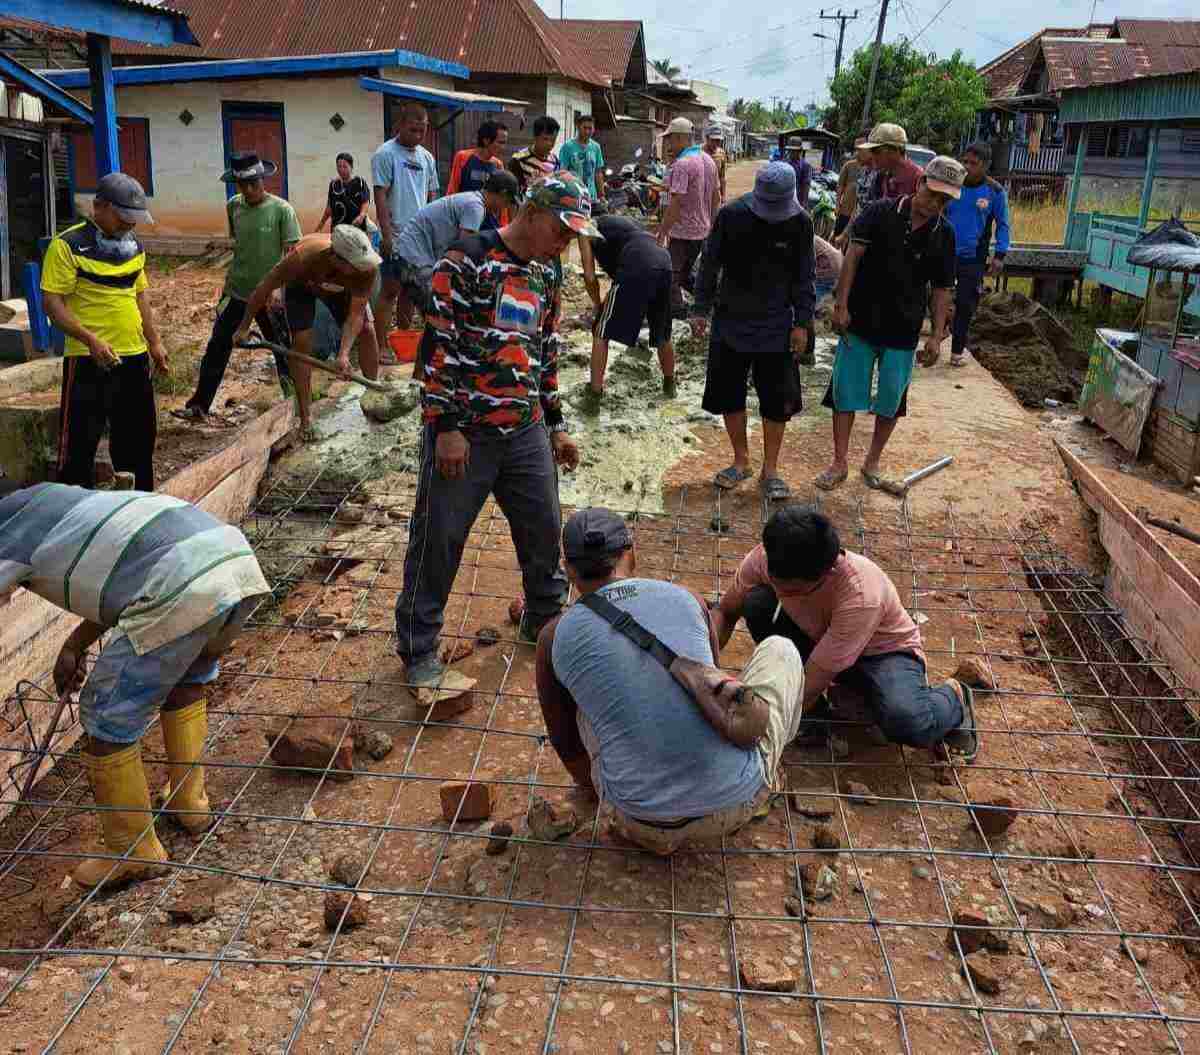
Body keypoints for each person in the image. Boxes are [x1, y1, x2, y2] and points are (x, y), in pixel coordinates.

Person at [0, 480, 271, 888]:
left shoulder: (9, 530)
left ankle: (132, 851)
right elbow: (127, 574)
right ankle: (189, 803)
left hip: (180, 581)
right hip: (231, 561)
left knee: (105, 712)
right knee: (185, 681)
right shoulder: (53, 499)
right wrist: (76, 644)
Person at [394, 174, 593, 686]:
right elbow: (437, 350)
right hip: (466, 432)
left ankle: (544, 619)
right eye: (560, 229)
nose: (565, 242)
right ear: (530, 211)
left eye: (573, 235)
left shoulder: (547, 275)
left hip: (524, 430)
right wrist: (445, 427)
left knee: (544, 527)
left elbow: (543, 354)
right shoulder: (465, 261)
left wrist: (556, 423)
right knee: (439, 537)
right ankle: (418, 649)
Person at [534, 507, 805, 855]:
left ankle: (635, 805)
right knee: (781, 649)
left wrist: (610, 793)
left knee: (587, 692)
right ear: (631, 552)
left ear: (568, 569)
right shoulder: (685, 597)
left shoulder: (553, 636)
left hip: (638, 821)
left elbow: (565, 742)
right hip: (734, 804)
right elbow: (711, 692)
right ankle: (767, 775)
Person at [713, 506, 977, 762]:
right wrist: (705, 673)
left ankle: (954, 698)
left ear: (826, 574)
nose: (782, 592)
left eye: (793, 591)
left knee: (906, 721)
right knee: (758, 603)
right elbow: (724, 612)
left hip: (882, 654)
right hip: (823, 640)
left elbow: (811, 684)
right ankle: (818, 717)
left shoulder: (860, 596)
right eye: (776, 581)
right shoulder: (768, 557)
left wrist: (758, 735)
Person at [815, 156, 964, 491]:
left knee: (892, 398)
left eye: (944, 201)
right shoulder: (880, 212)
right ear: (920, 182)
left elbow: (942, 289)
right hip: (861, 320)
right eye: (932, 194)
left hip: (904, 328)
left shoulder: (944, 234)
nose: (934, 205)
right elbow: (852, 258)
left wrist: (937, 337)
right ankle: (839, 462)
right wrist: (841, 304)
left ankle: (872, 462)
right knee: (845, 394)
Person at [691, 163, 815, 502]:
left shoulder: (800, 223)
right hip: (731, 319)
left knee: (777, 399)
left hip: (777, 323)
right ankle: (741, 460)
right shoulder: (730, 216)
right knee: (729, 393)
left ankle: (770, 469)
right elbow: (709, 264)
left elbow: (805, 276)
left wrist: (803, 323)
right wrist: (700, 309)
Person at [42, 172, 165, 492]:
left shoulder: (134, 246)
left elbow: (140, 296)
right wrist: (90, 340)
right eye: (124, 217)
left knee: (137, 443)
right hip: (88, 359)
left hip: (134, 356)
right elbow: (53, 306)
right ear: (101, 207)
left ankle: (138, 506)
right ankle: (69, 512)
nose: (130, 224)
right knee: (79, 446)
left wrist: (154, 342)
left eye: (134, 218)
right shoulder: (68, 246)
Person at [174, 153, 301, 424]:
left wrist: (279, 289)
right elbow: (239, 243)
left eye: (254, 183)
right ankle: (199, 405)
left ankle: (297, 404)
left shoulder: (282, 210)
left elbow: (292, 254)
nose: (250, 189)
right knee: (218, 346)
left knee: (282, 349)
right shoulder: (234, 207)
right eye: (243, 185)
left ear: (262, 180)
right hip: (237, 291)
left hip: (269, 295)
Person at [233, 225, 382, 442]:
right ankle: (306, 417)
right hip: (302, 285)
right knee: (301, 342)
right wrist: (244, 327)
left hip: (340, 291)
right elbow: (263, 289)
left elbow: (356, 315)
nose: (363, 268)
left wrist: (343, 355)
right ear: (336, 259)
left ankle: (375, 394)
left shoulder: (367, 268)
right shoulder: (301, 259)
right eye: (356, 265)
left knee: (368, 330)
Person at [395, 170, 520, 374]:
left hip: (411, 253)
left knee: (434, 315)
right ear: (502, 194)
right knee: (437, 317)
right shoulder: (475, 207)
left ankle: (421, 374)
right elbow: (465, 252)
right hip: (415, 257)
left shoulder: (472, 201)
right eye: (507, 202)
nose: (505, 208)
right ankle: (421, 377)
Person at [578, 213, 676, 406]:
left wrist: (598, 307)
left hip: (636, 262)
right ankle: (670, 386)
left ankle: (593, 397)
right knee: (663, 331)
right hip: (664, 260)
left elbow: (589, 277)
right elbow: (620, 279)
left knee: (600, 331)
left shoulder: (585, 229)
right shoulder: (621, 223)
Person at [372, 102, 440, 354]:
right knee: (390, 290)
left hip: (420, 237)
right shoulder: (385, 154)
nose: (418, 135)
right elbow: (380, 197)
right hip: (396, 234)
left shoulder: (427, 157)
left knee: (411, 293)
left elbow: (432, 197)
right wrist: (387, 236)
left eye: (422, 131)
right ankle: (379, 347)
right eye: (413, 129)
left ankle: (403, 340)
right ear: (400, 125)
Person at [946, 141, 1010, 367]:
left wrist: (1000, 255)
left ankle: (956, 351)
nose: (967, 167)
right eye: (965, 162)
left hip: (973, 256)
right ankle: (935, 336)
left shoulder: (995, 192)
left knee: (965, 303)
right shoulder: (951, 185)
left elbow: (1003, 225)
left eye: (974, 163)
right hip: (944, 252)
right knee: (935, 297)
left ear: (986, 165)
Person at [658, 117, 720, 315]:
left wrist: (662, 233)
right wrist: (712, 225)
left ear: (678, 138)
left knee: (670, 277)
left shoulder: (682, 164)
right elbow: (716, 197)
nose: (668, 144)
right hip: (702, 231)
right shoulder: (709, 161)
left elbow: (674, 205)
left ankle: (678, 313)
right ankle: (711, 303)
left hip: (683, 233)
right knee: (685, 275)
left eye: (670, 139)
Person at [446, 120, 508, 194]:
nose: (503, 147)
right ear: (486, 141)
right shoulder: (463, 157)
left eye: (504, 143)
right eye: (500, 142)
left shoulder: (498, 165)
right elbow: (452, 189)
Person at [864, 123, 922, 200]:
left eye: (875, 151)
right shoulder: (883, 176)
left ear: (895, 150)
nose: (871, 156)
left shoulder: (918, 179)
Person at [316, 152, 371, 233]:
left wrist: (361, 216)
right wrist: (320, 225)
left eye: (345, 166)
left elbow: (365, 201)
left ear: (351, 167)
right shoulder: (334, 185)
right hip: (338, 229)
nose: (341, 169)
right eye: (339, 166)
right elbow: (329, 207)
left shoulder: (360, 183)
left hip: (356, 228)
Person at [508, 115, 561, 196]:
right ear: (535, 137)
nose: (549, 144)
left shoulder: (555, 161)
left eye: (553, 140)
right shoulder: (518, 160)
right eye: (545, 139)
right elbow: (513, 193)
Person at [558, 114, 605, 201]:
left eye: (590, 128)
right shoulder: (567, 147)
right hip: (573, 196)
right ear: (578, 127)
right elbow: (562, 172)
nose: (587, 131)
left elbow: (598, 173)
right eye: (585, 128)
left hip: (591, 197)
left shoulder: (596, 147)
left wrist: (601, 195)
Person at [834, 137, 870, 239]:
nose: (857, 152)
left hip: (857, 214)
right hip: (845, 210)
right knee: (838, 236)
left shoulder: (870, 170)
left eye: (860, 149)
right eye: (856, 149)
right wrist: (837, 206)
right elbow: (840, 186)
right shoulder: (848, 165)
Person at [783, 137, 813, 211]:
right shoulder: (783, 163)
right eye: (790, 150)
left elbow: (806, 185)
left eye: (794, 151)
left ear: (799, 151)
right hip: (784, 199)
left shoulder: (805, 166)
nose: (791, 152)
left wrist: (804, 203)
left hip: (797, 200)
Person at [703, 125, 728, 202]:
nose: (716, 143)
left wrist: (723, 195)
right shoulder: (698, 152)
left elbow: (722, 177)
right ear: (707, 138)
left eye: (718, 140)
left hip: (715, 193)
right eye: (713, 140)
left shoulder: (721, 154)